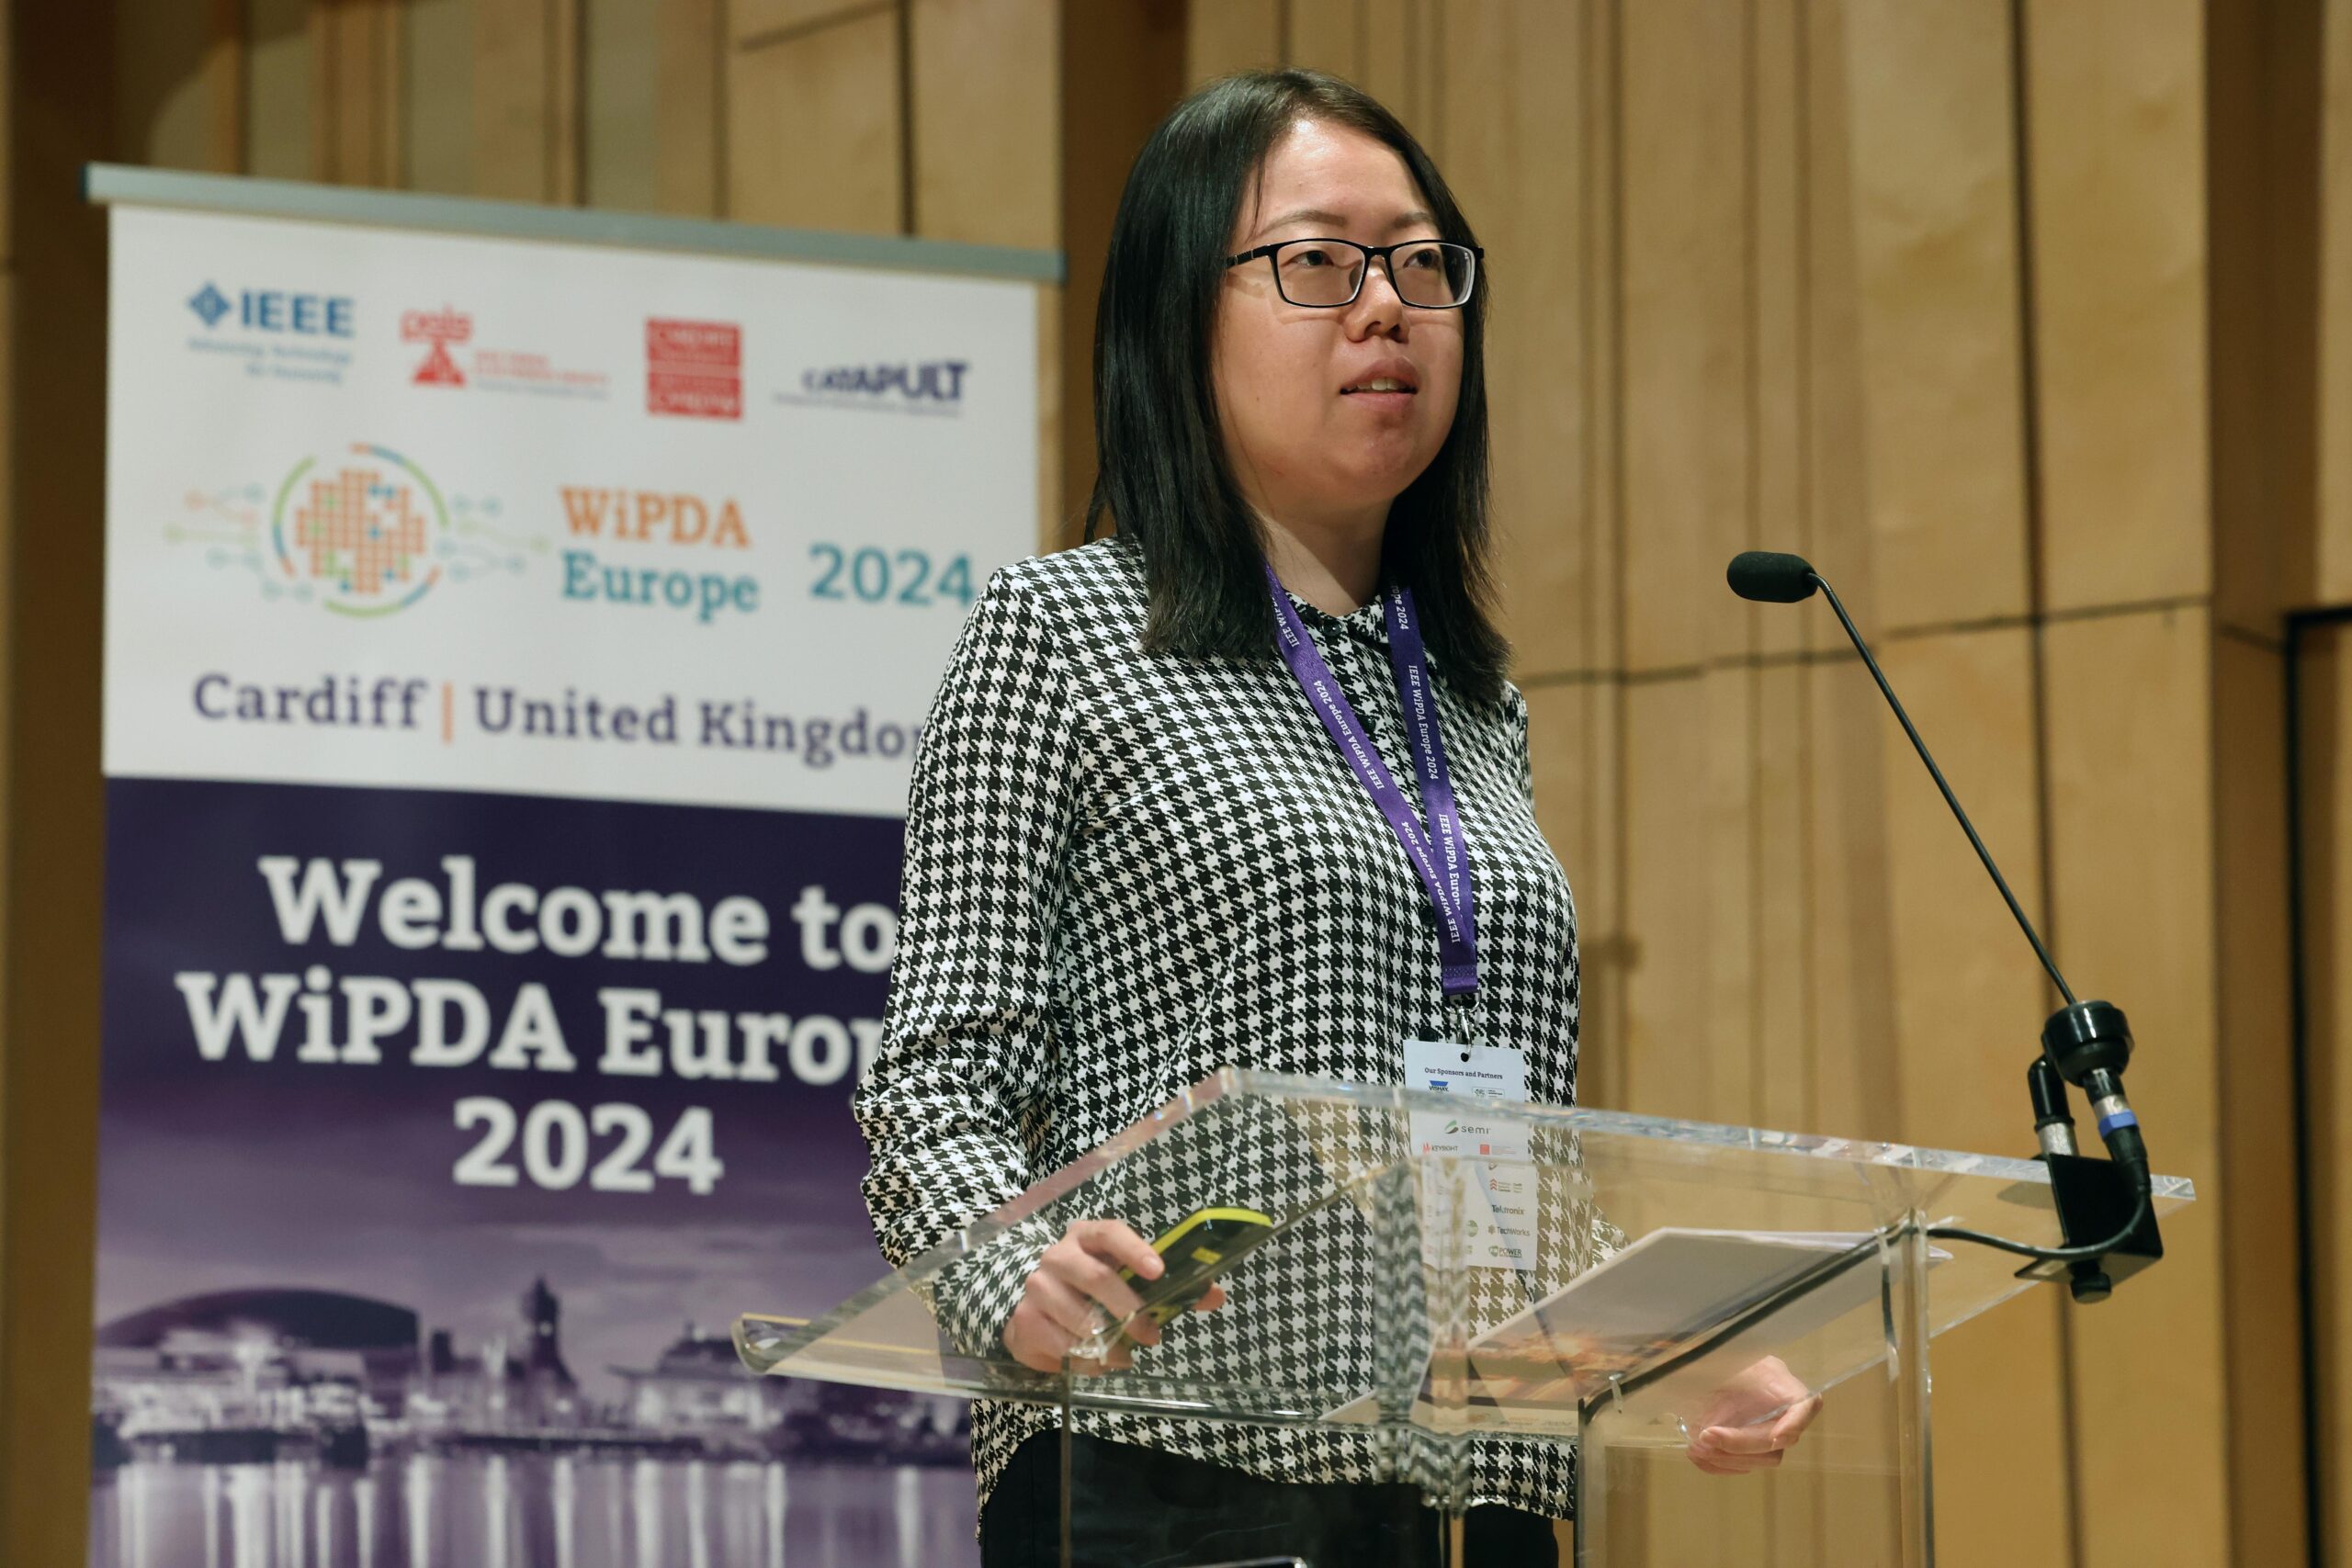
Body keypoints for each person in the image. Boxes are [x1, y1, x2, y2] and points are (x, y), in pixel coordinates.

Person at [855, 68, 1815, 1567]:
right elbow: (933, 1089)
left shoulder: (1469, 702)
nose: (1387, 307)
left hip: (1475, 1495)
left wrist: (1671, 1335)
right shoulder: (1065, 634)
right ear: (1184, 316)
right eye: (1319, 263)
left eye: (1422, 264)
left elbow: (1490, 1150)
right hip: (1174, 1466)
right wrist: (1013, 1275)